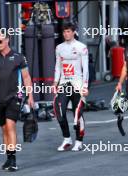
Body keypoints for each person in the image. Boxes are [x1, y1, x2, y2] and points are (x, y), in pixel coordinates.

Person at [0, 34, 34, 172]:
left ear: (7, 40)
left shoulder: (18, 57)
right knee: (4, 129)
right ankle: (8, 158)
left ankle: (13, 160)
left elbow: (26, 77)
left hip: (14, 97)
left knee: (10, 126)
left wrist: (30, 96)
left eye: (0, 41)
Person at [52, 22, 89, 152]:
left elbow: (85, 68)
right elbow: (58, 66)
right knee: (59, 112)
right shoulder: (59, 48)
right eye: (64, 32)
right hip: (64, 83)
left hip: (77, 84)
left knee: (77, 114)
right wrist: (55, 82)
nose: (66, 34)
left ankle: (79, 141)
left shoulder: (81, 47)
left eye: (68, 31)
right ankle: (67, 139)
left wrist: (85, 86)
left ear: (73, 32)